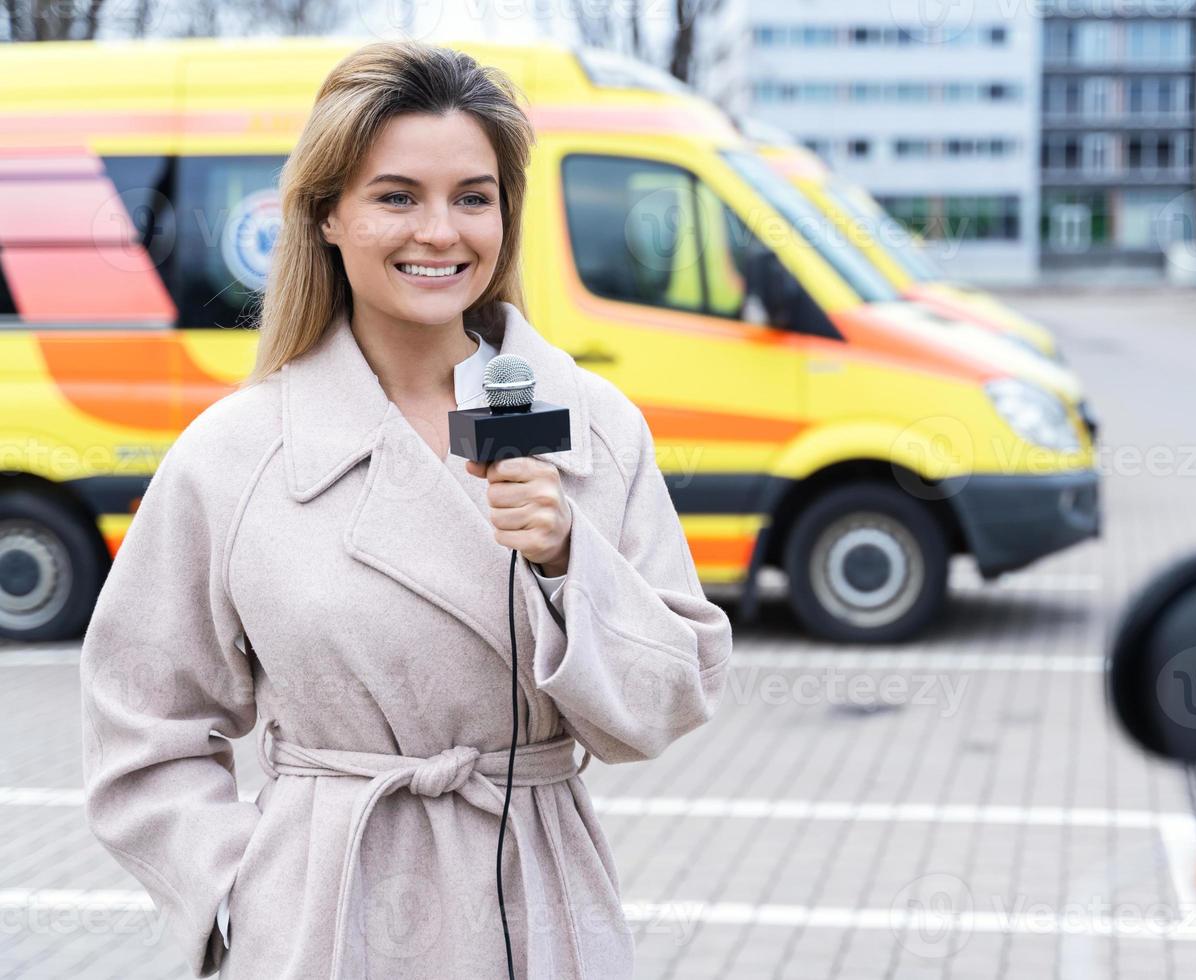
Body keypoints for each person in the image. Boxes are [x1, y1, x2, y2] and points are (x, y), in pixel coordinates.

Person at [79, 40, 732, 980]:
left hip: (538, 905)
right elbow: (142, 720)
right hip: (326, 914)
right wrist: (241, 894)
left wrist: (566, 563)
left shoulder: (593, 426)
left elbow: (669, 702)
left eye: (473, 196)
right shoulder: (237, 452)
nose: (441, 232)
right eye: (397, 197)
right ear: (327, 216)